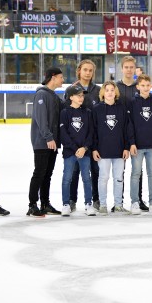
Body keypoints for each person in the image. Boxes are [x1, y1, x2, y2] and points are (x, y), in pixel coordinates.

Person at [64, 60, 101, 212]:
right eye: (85, 69)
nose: (88, 73)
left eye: (90, 70)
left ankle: (95, 199)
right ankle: (72, 200)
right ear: (79, 71)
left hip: (92, 139)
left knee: (95, 170)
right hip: (75, 140)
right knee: (74, 172)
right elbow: (66, 114)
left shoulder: (98, 90)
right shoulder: (71, 89)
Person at [27, 67, 64, 217]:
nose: (63, 80)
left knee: (47, 174)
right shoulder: (41, 94)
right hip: (42, 142)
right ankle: (32, 204)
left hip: (53, 143)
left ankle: (45, 203)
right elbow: (41, 119)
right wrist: (48, 137)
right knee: (39, 173)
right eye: (61, 77)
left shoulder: (54, 96)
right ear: (53, 77)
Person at [129, 74, 152, 215]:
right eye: (142, 85)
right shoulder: (132, 103)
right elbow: (129, 124)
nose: (145, 88)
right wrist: (131, 143)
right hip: (137, 146)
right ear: (138, 86)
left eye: (148, 85)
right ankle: (134, 202)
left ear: (151, 86)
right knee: (135, 174)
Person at [92, 81, 131, 215]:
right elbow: (93, 131)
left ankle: (118, 205)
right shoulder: (96, 109)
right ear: (103, 92)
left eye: (112, 90)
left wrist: (126, 147)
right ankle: (103, 205)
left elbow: (127, 129)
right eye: (107, 90)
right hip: (102, 151)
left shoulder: (121, 108)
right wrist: (94, 148)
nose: (109, 92)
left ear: (116, 92)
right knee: (103, 178)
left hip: (119, 150)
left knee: (119, 178)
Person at [116, 56, 148, 212]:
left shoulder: (139, 86)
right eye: (126, 67)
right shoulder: (115, 87)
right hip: (119, 134)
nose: (129, 70)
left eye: (131, 67)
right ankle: (119, 202)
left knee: (137, 170)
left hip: (138, 134)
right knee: (119, 170)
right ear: (122, 68)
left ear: (135, 69)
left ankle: (138, 199)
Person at [59, 85, 95, 217]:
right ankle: (66, 204)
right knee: (67, 178)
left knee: (86, 178)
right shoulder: (64, 113)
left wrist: (84, 148)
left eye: (82, 95)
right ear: (71, 97)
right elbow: (64, 134)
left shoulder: (87, 113)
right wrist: (75, 149)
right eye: (78, 95)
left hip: (84, 152)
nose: (81, 98)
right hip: (70, 152)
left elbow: (91, 133)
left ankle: (88, 204)